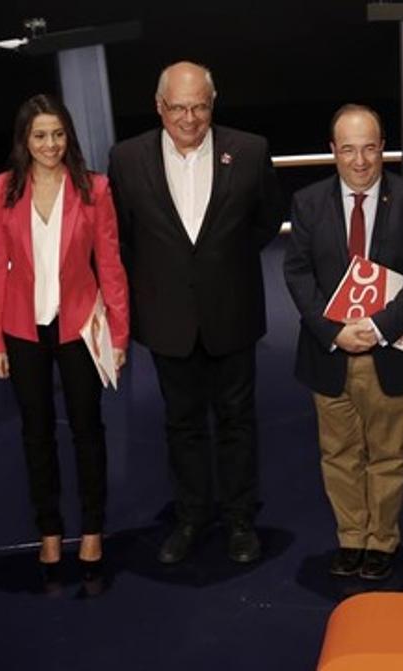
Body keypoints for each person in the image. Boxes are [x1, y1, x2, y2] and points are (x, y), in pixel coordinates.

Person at [108, 61, 283, 564]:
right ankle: (190, 517)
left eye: (199, 106)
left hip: (232, 312)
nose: (189, 118)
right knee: (180, 424)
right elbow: (123, 235)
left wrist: (221, 266)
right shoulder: (126, 158)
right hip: (167, 319)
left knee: (237, 422)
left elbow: (267, 220)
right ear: (159, 106)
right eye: (179, 107)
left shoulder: (249, 151)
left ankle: (240, 520)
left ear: (213, 103)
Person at [283, 104, 403, 581]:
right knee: (339, 454)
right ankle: (351, 537)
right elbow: (296, 272)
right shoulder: (308, 203)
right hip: (328, 352)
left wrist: (376, 327)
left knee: (388, 455)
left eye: (369, 148)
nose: (359, 161)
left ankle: (382, 541)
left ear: (383, 149)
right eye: (349, 149)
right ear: (333, 151)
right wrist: (333, 329)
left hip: (392, 351)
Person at [0, 94, 129, 582]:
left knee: (88, 431)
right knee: (36, 434)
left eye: (59, 134)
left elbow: (109, 265)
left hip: (81, 328)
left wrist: (121, 335)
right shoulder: (1, 190)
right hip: (22, 330)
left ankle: (91, 530)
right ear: (25, 139)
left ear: (69, 136)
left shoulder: (94, 190)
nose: (50, 144)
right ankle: (49, 531)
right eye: (40, 135)